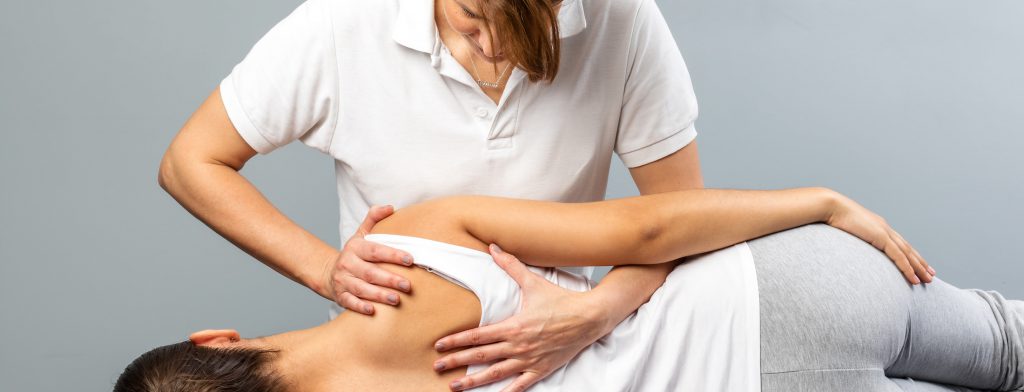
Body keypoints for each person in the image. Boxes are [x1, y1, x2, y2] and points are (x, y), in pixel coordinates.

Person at [159, 0, 808, 389]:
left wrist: (597, 312)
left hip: (563, 352)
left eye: (529, 24)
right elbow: (192, 160)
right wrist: (326, 270)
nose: (495, 45)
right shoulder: (345, 23)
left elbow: (674, 218)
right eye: (473, 15)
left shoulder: (620, 18)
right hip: (397, 362)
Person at [115, 188, 1023, 391]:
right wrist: (820, 201)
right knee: (1008, 346)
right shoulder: (407, 246)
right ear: (215, 338)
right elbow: (649, 232)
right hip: (785, 291)